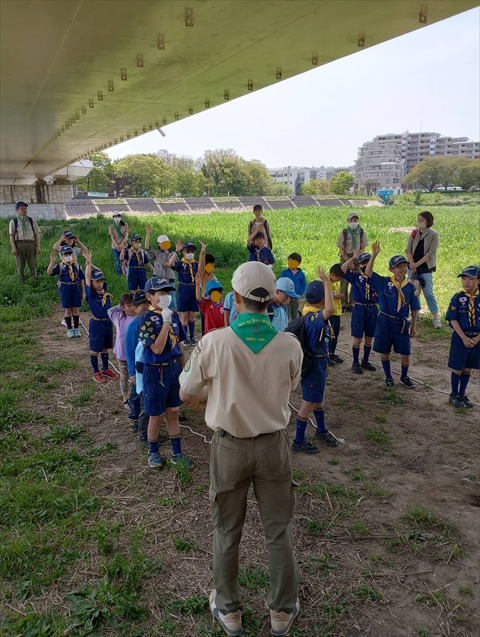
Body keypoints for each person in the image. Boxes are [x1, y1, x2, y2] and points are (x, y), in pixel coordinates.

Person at [179, 262, 302, 637]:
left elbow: (186, 393)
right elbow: (290, 388)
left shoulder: (215, 342)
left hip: (229, 447)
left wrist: (211, 399)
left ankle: (229, 611)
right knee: (278, 531)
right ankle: (281, 612)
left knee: (227, 530)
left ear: (236, 298)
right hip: (273, 447)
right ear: (271, 302)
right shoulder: (289, 344)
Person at [139, 276, 191, 468]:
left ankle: (177, 453)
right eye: (161, 293)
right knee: (156, 415)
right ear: (150, 296)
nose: (166, 296)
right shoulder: (145, 319)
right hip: (154, 372)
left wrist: (185, 370)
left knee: (173, 412)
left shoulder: (174, 315)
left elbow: (178, 345)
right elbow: (157, 349)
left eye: (168, 292)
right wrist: (165, 323)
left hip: (173, 370)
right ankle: (153, 453)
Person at [291, 269, 339, 455]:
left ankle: (320, 430)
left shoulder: (308, 314)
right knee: (308, 403)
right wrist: (327, 282)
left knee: (317, 399)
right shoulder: (314, 318)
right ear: (322, 299)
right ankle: (299, 441)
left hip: (318, 362)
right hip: (314, 365)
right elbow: (330, 309)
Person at [364, 242, 420, 389]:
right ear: (391, 269)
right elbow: (368, 273)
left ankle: (404, 376)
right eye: (398, 267)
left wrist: (414, 325)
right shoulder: (384, 282)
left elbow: (414, 308)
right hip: (384, 320)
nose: (402, 269)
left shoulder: (410, 287)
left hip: (401, 322)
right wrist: (374, 255)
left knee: (405, 351)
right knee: (385, 350)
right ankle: (388, 377)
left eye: (404, 266)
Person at [445, 265, 480, 409]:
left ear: (478, 280)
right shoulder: (458, 298)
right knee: (458, 367)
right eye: (464, 279)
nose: (466, 282)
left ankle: (462, 393)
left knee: (468, 368)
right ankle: (454, 394)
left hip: (476, 339)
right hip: (461, 338)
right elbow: (453, 319)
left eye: (470, 279)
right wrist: (464, 338)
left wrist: (477, 338)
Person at [340, 251, 378, 374]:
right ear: (359, 265)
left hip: (372, 308)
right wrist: (353, 258)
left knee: (369, 338)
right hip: (359, 309)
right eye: (363, 263)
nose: (366, 264)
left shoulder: (376, 278)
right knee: (357, 338)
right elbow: (342, 268)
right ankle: (355, 362)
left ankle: (365, 360)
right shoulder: (355, 276)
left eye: (368, 261)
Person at [84, 250, 119, 383]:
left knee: (105, 348)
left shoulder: (104, 291)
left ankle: (105, 368)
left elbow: (99, 272)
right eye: (97, 281)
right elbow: (88, 277)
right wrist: (88, 263)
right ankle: (96, 371)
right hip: (97, 324)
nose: (100, 284)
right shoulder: (91, 294)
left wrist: (91, 263)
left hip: (107, 323)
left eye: (101, 281)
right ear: (92, 283)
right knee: (95, 350)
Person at [406, 211, 441, 328]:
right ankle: (415, 314)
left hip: (425, 267)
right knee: (413, 292)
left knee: (428, 292)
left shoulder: (434, 235)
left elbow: (430, 253)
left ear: (428, 222)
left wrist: (416, 265)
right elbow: (408, 250)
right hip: (412, 267)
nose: (419, 222)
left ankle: (436, 317)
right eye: (418, 219)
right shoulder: (414, 233)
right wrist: (412, 264)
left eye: (422, 220)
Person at [125, 290, 151, 440]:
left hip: (149, 368)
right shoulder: (133, 327)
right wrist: (132, 373)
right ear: (135, 308)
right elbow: (130, 352)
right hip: (138, 369)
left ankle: (145, 428)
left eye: (149, 305)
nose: (146, 309)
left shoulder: (153, 323)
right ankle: (135, 420)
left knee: (144, 400)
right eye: (143, 307)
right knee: (136, 397)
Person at [47, 246, 85, 338]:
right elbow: (49, 272)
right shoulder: (60, 266)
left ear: (72, 255)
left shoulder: (76, 266)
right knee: (67, 310)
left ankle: (76, 328)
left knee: (75, 309)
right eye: (65, 254)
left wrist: (82, 292)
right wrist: (52, 262)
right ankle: (69, 329)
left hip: (75, 289)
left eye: (69, 254)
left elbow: (81, 279)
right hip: (65, 289)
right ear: (62, 255)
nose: (68, 256)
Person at [167, 240, 199, 346]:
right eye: (187, 251)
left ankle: (192, 336)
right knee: (184, 315)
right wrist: (176, 251)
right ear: (183, 252)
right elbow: (171, 263)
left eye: (192, 251)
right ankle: (184, 337)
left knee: (192, 315)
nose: (190, 253)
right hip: (183, 289)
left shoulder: (195, 264)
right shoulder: (181, 264)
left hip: (193, 289)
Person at [108, 293, 137, 408]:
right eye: (129, 305)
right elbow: (110, 310)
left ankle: (137, 396)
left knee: (135, 375)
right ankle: (125, 397)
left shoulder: (139, 317)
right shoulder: (119, 317)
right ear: (123, 308)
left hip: (135, 353)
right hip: (122, 353)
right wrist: (121, 306)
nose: (132, 308)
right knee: (124, 376)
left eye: (134, 305)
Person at [337, 212, 368, 312]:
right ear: (348, 221)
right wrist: (348, 261)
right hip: (346, 257)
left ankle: (351, 303)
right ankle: (342, 304)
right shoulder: (344, 233)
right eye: (351, 220)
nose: (353, 222)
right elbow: (341, 249)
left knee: (356, 281)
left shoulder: (361, 232)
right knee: (344, 282)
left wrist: (355, 259)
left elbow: (363, 248)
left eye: (355, 220)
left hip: (358, 258)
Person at [144, 226, 177, 308]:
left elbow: (177, 265)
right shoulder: (156, 253)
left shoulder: (173, 254)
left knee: (171, 301)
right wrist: (148, 234)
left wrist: (169, 264)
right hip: (158, 281)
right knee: (159, 301)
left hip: (170, 280)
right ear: (159, 244)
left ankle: (171, 317)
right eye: (162, 243)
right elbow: (147, 248)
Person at [9, 202, 41, 281]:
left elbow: (36, 234)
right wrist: (13, 247)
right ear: (17, 210)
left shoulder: (31, 220)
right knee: (20, 264)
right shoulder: (14, 221)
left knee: (33, 263)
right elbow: (11, 235)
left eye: (25, 208)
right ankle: (21, 281)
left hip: (31, 244)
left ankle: (33, 280)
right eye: (21, 209)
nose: (24, 210)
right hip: (19, 244)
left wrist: (38, 246)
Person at [197, 241, 217, 334]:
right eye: (209, 265)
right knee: (206, 324)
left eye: (213, 265)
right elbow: (201, 264)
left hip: (215, 303)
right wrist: (203, 251)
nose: (212, 268)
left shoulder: (213, 276)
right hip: (206, 303)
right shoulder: (203, 275)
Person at [281, 253, 307, 320]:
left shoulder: (301, 274)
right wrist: (286, 296)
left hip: (296, 298)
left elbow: (304, 285)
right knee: (286, 314)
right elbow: (282, 285)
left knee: (295, 315)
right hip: (287, 298)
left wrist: (300, 295)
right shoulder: (285, 273)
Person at [327, 264, 344, 366]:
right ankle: (327, 354)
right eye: (339, 277)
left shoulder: (335, 283)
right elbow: (326, 295)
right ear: (332, 274)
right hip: (330, 313)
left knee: (335, 335)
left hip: (337, 312)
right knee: (329, 335)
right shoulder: (326, 283)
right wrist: (336, 296)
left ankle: (332, 352)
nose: (339, 279)